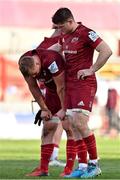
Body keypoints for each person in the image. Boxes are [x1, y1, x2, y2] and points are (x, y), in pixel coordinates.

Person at [50, 7, 112, 178]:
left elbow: (106, 50)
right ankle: (83, 166)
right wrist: (40, 55)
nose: (59, 30)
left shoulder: (86, 33)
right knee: (73, 125)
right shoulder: (65, 35)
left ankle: (95, 164)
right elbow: (55, 48)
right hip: (70, 85)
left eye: (61, 26)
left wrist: (91, 69)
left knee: (80, 123)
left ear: (70, 21)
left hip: (84, 84)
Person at [18, 45, 66, 176]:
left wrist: (64, 108)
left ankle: (83, 166)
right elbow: (33, 88)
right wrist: (44, 108)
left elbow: (61, 86)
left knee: (72, 125)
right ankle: (43, 169)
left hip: (68, 88)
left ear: (38, 63)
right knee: (48, 126)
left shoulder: (50, 60)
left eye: (35, 73)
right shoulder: (24, 62)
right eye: (32, 74)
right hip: (52, 92)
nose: (35, 76)